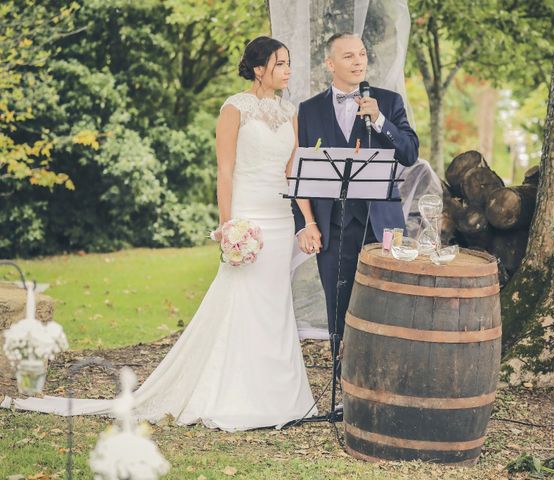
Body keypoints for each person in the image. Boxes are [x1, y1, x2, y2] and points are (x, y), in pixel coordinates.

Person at [2, 36, 317, 431]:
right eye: (281, 63)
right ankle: (235, 393)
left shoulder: (290, 112)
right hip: (248, 218)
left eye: (289, 63)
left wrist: (308, 221)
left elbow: (295, 173)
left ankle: (280, 393)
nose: (288, 70)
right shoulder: (234, 109)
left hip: (280, 217)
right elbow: (224, 170)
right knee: (243, 303)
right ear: (259, 69)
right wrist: (228, 225)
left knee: (275, 306)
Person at [293, 33, 419, 375]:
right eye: (348, 56)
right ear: (330, 64)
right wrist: (305, 223)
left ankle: (385, 375)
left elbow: (409, 153)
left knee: (386, 303)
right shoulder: (308, 110)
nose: (358, 61)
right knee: (338, 305)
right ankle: (343, 379)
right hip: (332, 225)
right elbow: (298, 171)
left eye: (362, 54)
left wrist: (379, 120)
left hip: (382, 225)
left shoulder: (388, 102)